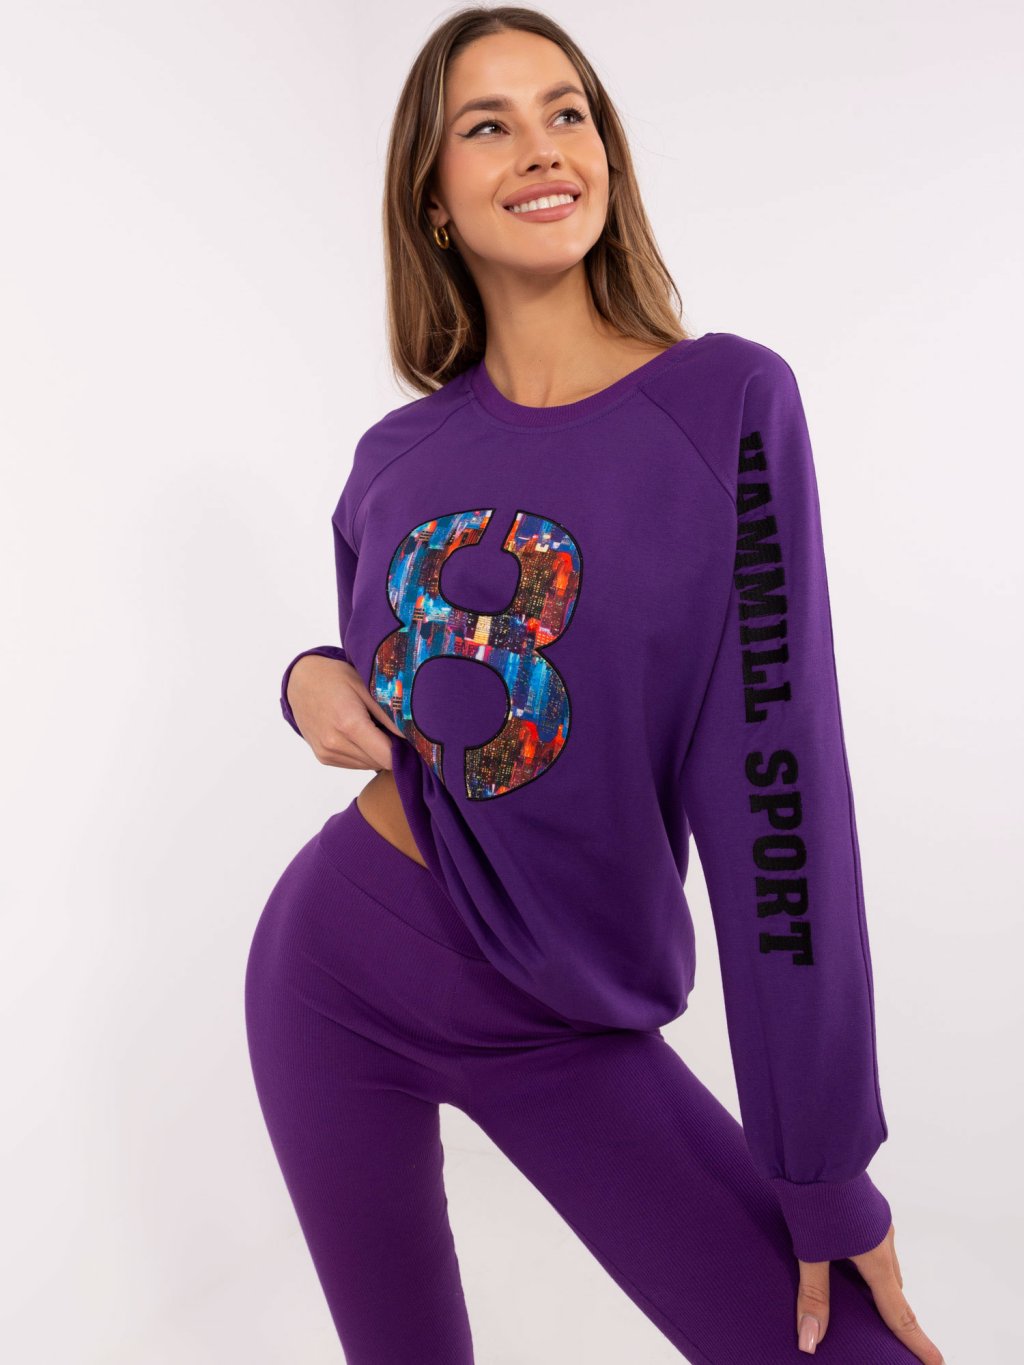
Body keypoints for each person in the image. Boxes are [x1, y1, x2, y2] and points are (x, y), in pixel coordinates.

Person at [244, 8, 946, 1363]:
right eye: (487, 125)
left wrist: (820, 1164)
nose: (541, 148)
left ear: (607, 156)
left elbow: (779, 786)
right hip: (332, 961)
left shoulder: (727, 405)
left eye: (567, 112)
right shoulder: (396, 454)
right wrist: (301, 675)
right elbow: (398, 686)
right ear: (433, 197)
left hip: (555, 1012)